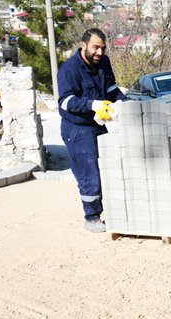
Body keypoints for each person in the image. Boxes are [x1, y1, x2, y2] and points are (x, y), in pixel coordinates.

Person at [57, 28, 127, 233]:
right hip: (78, 129)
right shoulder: (69, 69)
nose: (99, 52)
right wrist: (93, 105)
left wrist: (123, 104)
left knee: (108, 171)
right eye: (96, 47)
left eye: (103, 48)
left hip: (100, 124)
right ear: (84, 45)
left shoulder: (103, 63)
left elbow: (111, 88)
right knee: (90, 175)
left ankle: (111, 212)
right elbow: (66, 102)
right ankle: (92, 217)